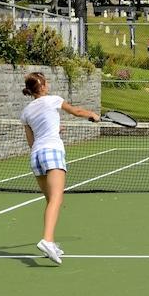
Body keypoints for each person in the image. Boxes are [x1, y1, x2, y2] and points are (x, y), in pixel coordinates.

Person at [20, 71, 99, 265]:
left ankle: (51, 242)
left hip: (36, 156)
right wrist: (93, 115)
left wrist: (55, 130)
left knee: (51, 201)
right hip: (52, 152)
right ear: (44, 86)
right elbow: (77, 111)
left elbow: (32, 141)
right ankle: (46, 240)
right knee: (56, 199)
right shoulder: (54, 100)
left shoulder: (26, 112)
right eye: (47, 83)